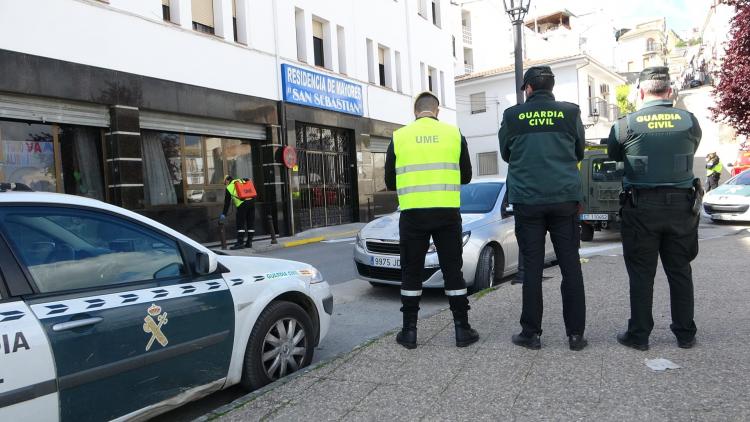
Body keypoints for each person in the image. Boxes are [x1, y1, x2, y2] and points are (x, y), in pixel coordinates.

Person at [607, 66, 702, 351]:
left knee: (641, 273)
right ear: (670, 92)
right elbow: (692, 148)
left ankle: (639, 335)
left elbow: (614, 157)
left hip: (641, 207)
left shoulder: (625, 125)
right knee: (680, 271)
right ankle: (685, 334)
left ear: (640, 92)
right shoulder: (689, 121)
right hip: (681, 207)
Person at [498, 65, 587, 351]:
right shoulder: (570, 112)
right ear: (551, 86)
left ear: (528, 88)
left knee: (532, 269)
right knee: (570, 266)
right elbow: (578, 151)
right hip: (564, 199)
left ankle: (531, 334)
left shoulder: (512, 116)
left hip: (528, 201)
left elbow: (506, 153)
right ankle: (575, 335)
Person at [384, 91, 479, 349]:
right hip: (447, 213)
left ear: (415, 111)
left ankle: (409, 332)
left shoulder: (399, 137)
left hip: (413, 214)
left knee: (411, 272)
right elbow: (467, 176)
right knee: (452, 271)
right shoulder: (454, 134)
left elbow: (390, 181)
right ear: (436, 111)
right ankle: (462, 330)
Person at [221, 175, 256, 250]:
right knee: (250, 222)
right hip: (252, 203)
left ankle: (240, 243)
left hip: (242, 205)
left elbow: (227, 203)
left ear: (227, 180)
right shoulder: (241, 180)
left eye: (225, 182)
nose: (225, 184)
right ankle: (249, 242)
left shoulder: (229, 187)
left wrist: (224, 214)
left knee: (240, 223)